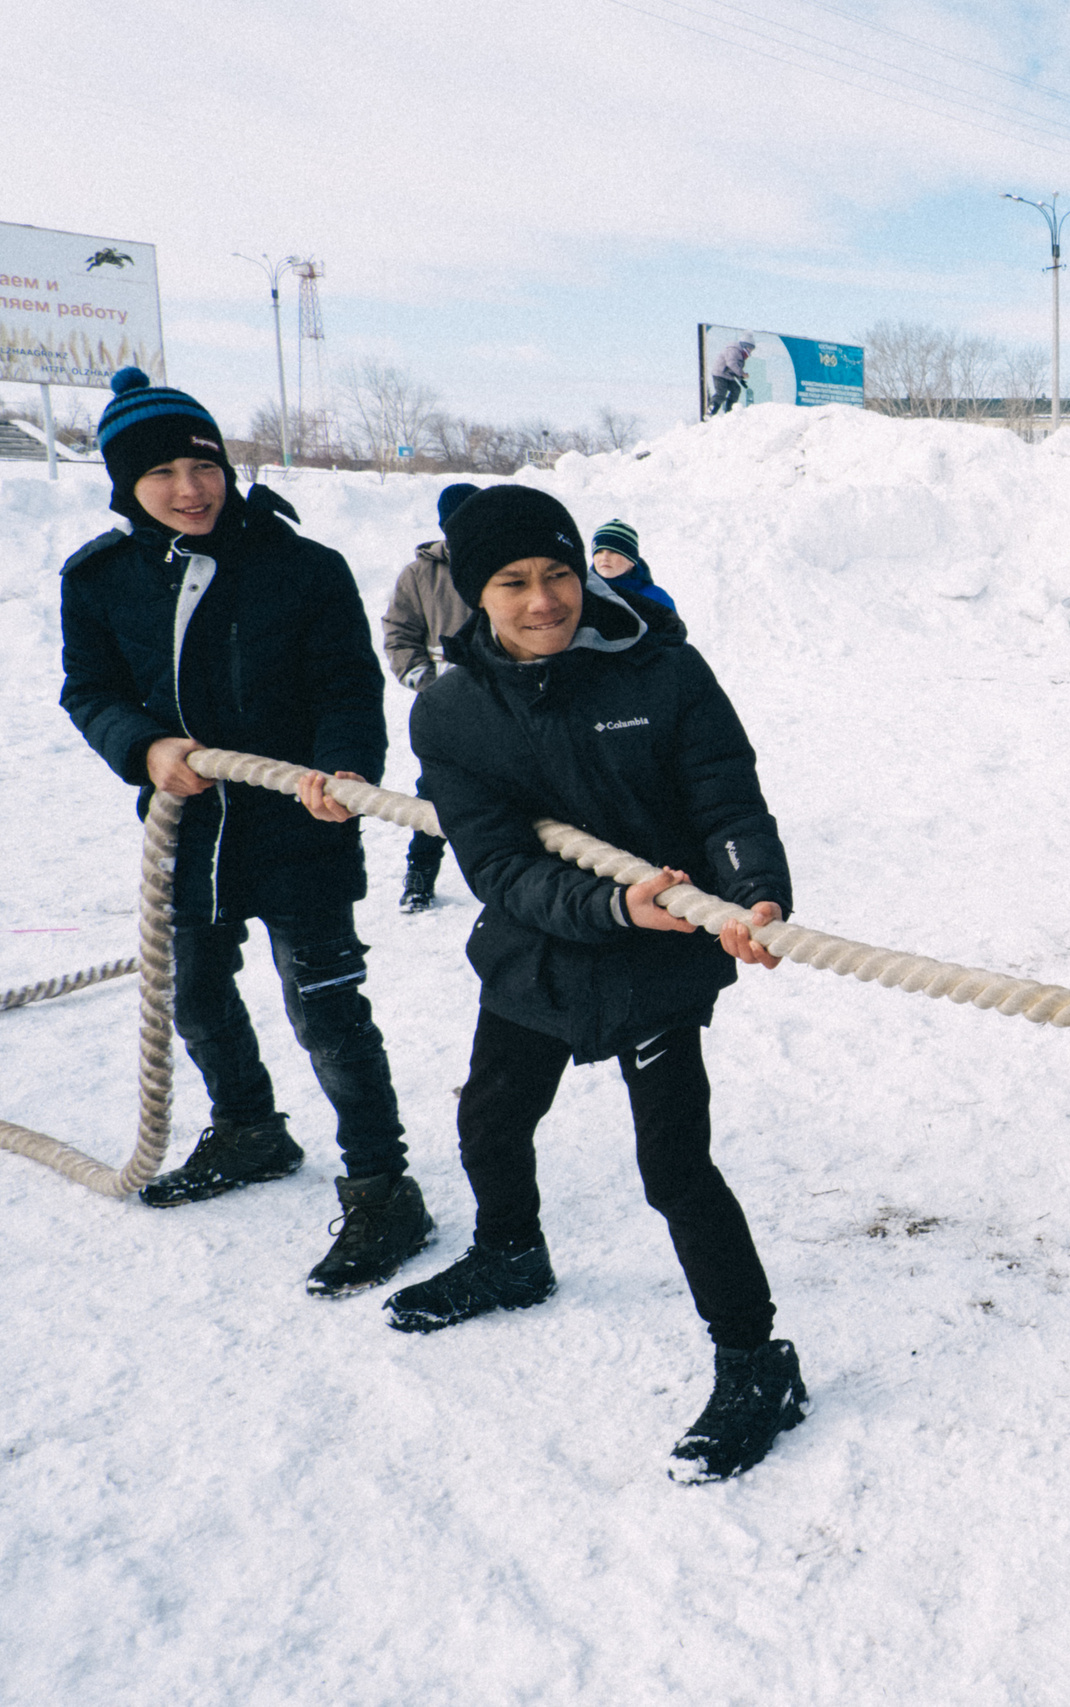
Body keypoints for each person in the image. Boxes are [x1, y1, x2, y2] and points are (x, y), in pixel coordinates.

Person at [393, 486, 807, 1484]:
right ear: (473, 593)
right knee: (491, 1120)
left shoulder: (663, 673)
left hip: (660, 961)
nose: (543, 601)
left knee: (674, 1168)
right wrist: (615, 907)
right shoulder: (451, 712)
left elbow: (726, 797)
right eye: (514, 582)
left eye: (559, 574)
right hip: (541, 946)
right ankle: (510, 1255)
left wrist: (751, 897)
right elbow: (496, 866)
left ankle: (757, 1364)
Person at [57, 367, 430, 1296]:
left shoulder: (302, 567)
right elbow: (89, 690)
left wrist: (346, 772)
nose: (189, 488)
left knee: (327, 1010)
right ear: (124, 485)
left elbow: (350, 684)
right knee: (192, 993)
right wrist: (143, 749)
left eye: (202, 462)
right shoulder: (101, 581)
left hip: (301, 824)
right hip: (185, 829)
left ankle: (384, 1184)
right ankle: (250, 1126)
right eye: (161, 473)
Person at [381, 482, 481, 913]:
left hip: (512, 707)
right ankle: (420, 875)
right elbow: (398, 633)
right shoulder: (419, 574)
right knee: (436, 793)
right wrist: (426, 679)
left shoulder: (508, 560)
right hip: (447, 709)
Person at [589, 518, 676, 614]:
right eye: (599, 552)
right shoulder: (581, 591)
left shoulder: (656, 597)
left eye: (613, 551)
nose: (604, 558)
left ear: (631, 560)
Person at [706, 335, 755, 415]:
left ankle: (729, 411)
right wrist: (742, 374)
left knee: (736, 389)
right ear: (745, 346)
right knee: (721, 392)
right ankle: (711, 410)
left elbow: (736, 369)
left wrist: (740, 379)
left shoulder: (742, 356)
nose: (750, 351)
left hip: (729, 376)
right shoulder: (733, 350)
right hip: (720, 374)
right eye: (750, 348)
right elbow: (731, 364)